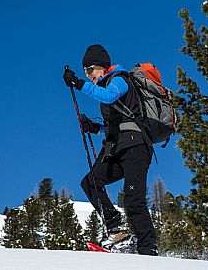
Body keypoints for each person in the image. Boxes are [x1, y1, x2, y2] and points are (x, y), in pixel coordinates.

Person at [63, 44, 158, 256]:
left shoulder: (120, 79)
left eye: (90, 70)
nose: (88, 75)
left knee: (133, 200)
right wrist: (95, 128)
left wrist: (78, 83)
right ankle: (116, 230)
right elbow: (117, 126)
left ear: (103, 67)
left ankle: (148, 251)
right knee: (90, 182)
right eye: (85, 72)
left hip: (136, 148)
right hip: (120, 149)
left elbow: (108, 96)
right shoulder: (107, 85)